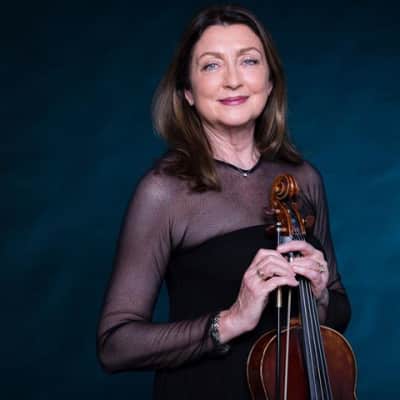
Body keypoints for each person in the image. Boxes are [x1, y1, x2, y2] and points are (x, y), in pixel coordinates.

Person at [96, 4, 351, 399]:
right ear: (187, 91)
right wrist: (230, 320)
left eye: (248, 61)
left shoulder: (303, 179)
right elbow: (115, 345)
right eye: (212, 65)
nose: (233, 80)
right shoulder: (164, 191)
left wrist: (319, 297)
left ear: (269, 82)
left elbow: (339, 308)